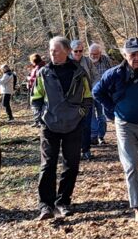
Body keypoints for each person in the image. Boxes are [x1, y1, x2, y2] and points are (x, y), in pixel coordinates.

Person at [92, 38, 138, 223]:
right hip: (125, 125)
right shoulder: (114, 74)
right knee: (131, 165)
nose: (136, 58)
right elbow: (97, 92)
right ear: (125, 55)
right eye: (132, 54)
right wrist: (112, 109)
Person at [30, 36, 93, 220]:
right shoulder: (44, 72)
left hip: (73, 126)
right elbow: (35, 98)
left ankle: (63, 202)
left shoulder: (79, 72)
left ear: (66, 51)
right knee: (48, 165)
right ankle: (45, 206)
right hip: (49, 126)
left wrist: (80, 114)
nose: (52, 53)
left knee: (71, 165)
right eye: (50, 50)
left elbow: (88, 98)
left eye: (56, 50)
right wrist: (40, 118)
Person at [70, 39, 95, 161]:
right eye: (76, 51)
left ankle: (86, 149)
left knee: (86, 125)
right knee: (73, 126)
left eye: (81, 51)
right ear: (71, 51)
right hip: (72, 101)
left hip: (87, 98)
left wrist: (94, 90)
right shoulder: (66, 62)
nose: (79, 53)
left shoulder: (87, 61)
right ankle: (75, 150)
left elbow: (95, 76)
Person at [87, 42, 116, 145]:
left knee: (102, 115)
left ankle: (101, 137)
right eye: (91, 54)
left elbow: (112, 74)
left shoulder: (106, 60)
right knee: (91, 116)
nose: (93, 56)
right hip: (89, 93)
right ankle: (93, 136)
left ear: (100, 53)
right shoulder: (86, 62)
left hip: (103, 93)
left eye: (96, 54)